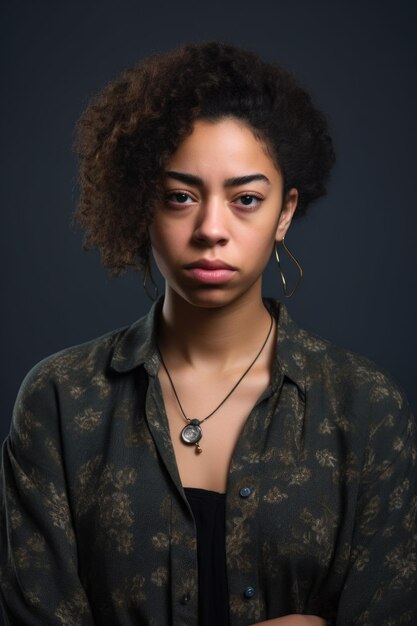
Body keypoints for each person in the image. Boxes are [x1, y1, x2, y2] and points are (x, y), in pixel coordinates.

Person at [0, 41, 416, 626]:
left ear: (286, 212)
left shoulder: (366, 409)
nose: (211, 229)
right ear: (141, 204)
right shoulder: (61, 402)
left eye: (246, 199)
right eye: (180, 197)